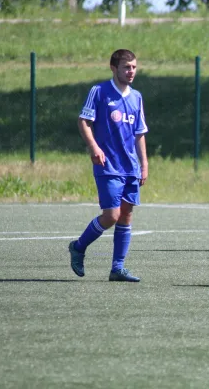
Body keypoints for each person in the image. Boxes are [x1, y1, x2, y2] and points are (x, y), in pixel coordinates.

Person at [68, 49, 149, 282]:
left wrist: (144, 164)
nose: (131, 71)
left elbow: (140, 133)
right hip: (108, 165)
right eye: (126, 67)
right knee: (111, 215)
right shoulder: (100, 91)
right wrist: (94, 147)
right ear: (113, 68)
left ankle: (118, 268)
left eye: (133, 66)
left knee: (126, 216)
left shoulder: (136, 97)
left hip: (130, 167)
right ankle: (79, 246)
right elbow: (84, 121)